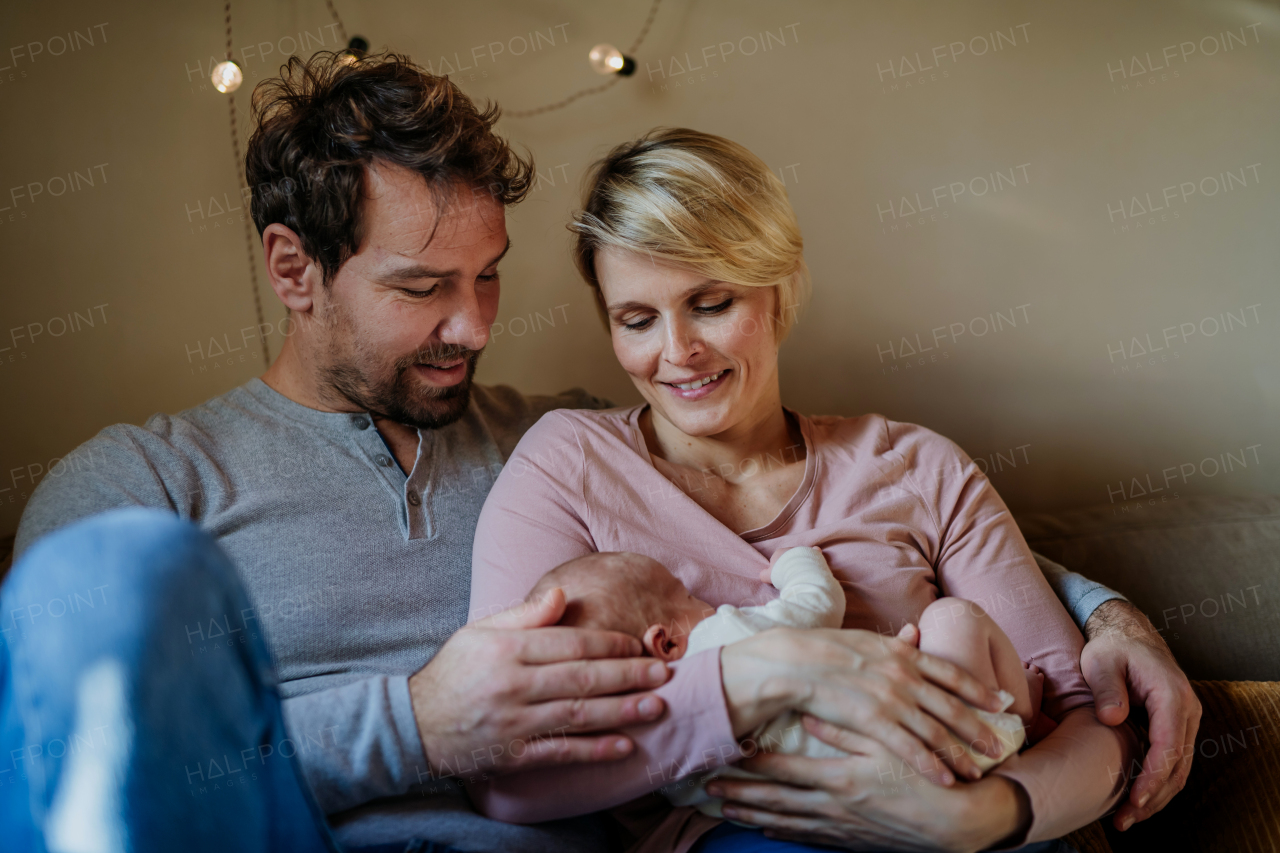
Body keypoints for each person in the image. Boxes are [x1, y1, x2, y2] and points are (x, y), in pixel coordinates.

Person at [0, 53, 1197, 852]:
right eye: (423, 289)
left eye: (487, 282)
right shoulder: (144, 482)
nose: (472, 327)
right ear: (290, 270)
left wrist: (1103, 614)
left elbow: (861, 529)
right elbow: (64, 777)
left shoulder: (554, 438)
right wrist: (416, 723)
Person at [463, 128, 1191, 853]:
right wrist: (763, 680)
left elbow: (1094, 719)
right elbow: (506, 771)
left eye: (712, 303)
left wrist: (973, 818)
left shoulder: (917, 466)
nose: (677, 352)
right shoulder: (569, 464)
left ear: (780, 291)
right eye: (637, 319)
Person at [519, 548, 1033, 822]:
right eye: (686, 597)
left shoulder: (658, 763)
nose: (708, 602)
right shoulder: (726, 638)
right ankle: (1025, 707)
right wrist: (796, 562)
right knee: (951, 617)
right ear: (666, 644)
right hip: (946, 752)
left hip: (843, 818)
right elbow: (818, 603)